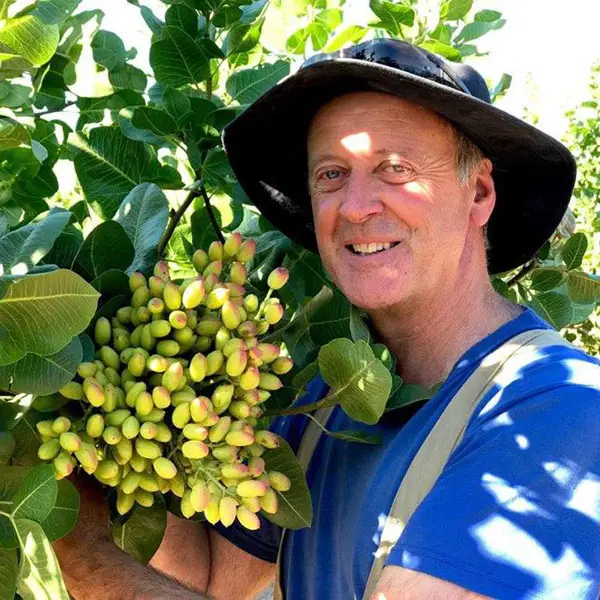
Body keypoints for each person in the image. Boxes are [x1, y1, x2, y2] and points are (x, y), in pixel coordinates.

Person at [54, 38, 600, 600]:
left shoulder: (564, 411)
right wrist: (97, 433)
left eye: (394, 168)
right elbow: (208, 582)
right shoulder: (322, 406)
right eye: (331, 175)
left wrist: (85, 552)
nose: (356, 206)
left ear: (479, 191)